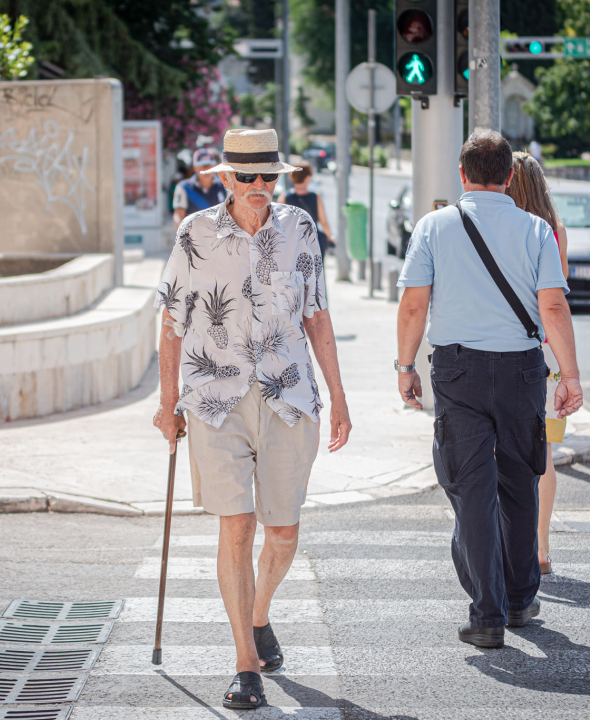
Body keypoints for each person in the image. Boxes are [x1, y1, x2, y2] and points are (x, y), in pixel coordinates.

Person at [152, 127, 352, 710]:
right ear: (225, 178)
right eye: (249, 177)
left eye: (270, 176)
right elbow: (170, 322)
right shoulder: (196, 233)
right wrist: (167, 405)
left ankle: (259, 614)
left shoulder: (300, 230)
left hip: (289, 398)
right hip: (216, 399)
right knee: (236, 526)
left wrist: (338, 396)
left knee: (283, 533)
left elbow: (317, 316)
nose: (260, 187)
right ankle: (246, 663)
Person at [395, 129, 583, 649]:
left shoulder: (433, 226)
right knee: (519, 482)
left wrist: (405, 366)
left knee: (470, 489)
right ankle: (521, 599)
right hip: (523, 370)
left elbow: (413, 305)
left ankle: (487, 613)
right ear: (510, 176)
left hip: (458, 372)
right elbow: (554, 308)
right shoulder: (538, 231)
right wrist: (570, 376)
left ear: (462, 174)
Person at [505, 152, 568, 577]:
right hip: (550, 352)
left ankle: (511, 546)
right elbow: (559, 297)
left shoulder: (506, 229)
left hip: (510, 348)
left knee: (503, 453)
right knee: (543, 453)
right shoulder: (555, 231)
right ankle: (541, 549)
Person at [277, 163, 333, 258]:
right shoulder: (315, 197)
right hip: (313, 240)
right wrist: (330, 237)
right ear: (307, 178)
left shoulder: (284, 197)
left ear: (291, 178)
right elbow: (323, 221)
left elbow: (279, 221)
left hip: (292, 242)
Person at [172, 147, 227, 228]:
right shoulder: (184, 188)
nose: (206, 169)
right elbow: (178, 216)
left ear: (214, 166)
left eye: (209, 165)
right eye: (202, 166)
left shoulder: (224, 186)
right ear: (195, 168)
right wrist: (183, 238)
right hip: (194, 238)